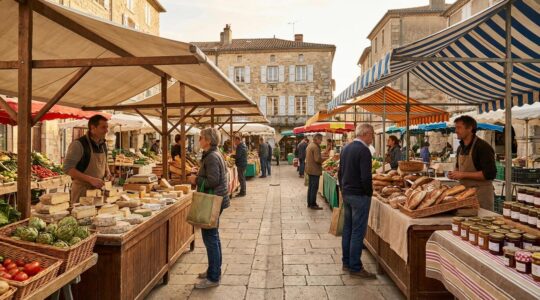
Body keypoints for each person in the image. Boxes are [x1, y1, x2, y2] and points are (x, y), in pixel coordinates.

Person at [188, 128, 230, 289]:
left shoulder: (212, 156)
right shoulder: (214, 154)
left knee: (210, 238)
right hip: (216, 199)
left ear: (208, 140)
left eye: (201, 138)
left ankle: (213, 277)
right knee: (213, 237)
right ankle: (213, 270)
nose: (199, 140)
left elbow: (213, 180)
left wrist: (196, 179)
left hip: (212, 200)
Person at [338, 124, 376, 279]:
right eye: (372, 135)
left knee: (348, 229)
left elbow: (340, 172)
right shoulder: (363, 151)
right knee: (357, 231)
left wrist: (343, 189)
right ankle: (355, 266)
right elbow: (366, 177)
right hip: (359, 196)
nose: (372, 138)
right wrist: (369, 193)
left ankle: (346, 262)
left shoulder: (346, 148)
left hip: (347, 193)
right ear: (366, 133)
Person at [448, 115, 496, 210]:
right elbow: (458, 168)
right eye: (455, 127)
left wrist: (462, 174)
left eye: (459, 127)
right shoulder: (460, 148)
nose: (456, 131)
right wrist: (454, 174)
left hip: (481, 195)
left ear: (469, 128)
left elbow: (489, 174)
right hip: (464, 194)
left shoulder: (483, 147)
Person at [63, 115, 112, 204]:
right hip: (82, 191)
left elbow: (104, 162)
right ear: (93, 128)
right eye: (103, 127)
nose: (106, 130)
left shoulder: (103, 144)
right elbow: (67, 169)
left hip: (99, 191)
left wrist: (107, 172)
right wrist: (91, 180)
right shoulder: (78, 144)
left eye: (107, 127)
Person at [305, 134, 324, 210]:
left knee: (311, 187)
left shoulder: (310, 145)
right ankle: (313, 204)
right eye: (321, 139)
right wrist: (323, 160)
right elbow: (317, 159)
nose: (321, 141)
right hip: (314, 170)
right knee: (314, 187)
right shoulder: (315, 147)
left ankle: (310, 203)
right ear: (317, 139)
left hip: (310, 169)